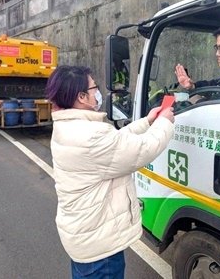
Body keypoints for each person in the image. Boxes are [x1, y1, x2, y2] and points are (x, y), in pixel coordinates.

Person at [45, 65, 175, 279]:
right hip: (99, 247)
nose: (98, 93)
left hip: (85, 237)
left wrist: (148, 121)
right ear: (81, 96)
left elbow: (113, 146)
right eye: (94, 87)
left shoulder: (69, 127)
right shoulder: (91, 135)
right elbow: (142, 150)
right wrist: (164, 122)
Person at [174, 21, 220, 90]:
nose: (217, 54)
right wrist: (193, 86)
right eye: (217, 48)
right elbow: (215, 84)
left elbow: (217, 96)